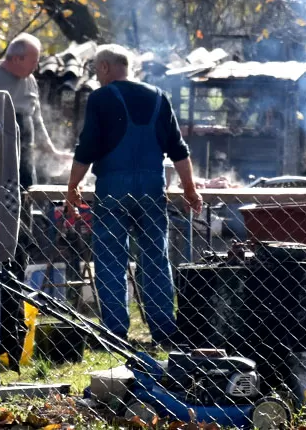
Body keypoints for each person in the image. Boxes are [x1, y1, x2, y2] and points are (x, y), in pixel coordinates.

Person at [65, 44, 203, 346]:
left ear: (105, 67)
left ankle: (115, 333)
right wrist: (190, 189)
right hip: (152, 189)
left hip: (113, 190)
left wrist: (72, 186)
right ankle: (164, 331)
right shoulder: (159, 96)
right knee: (155, 259)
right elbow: (179, 150)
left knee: (111, 260)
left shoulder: (101, 98)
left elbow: (87, 147)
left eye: (96, 70)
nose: (96, 76)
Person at [0, 33, 70, 190]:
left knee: (27, 193)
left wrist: (53, 152)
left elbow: (37, 120)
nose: (36, 67)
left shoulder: (30, 80)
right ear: (17, 59)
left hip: (24, 156)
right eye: (33, 62)